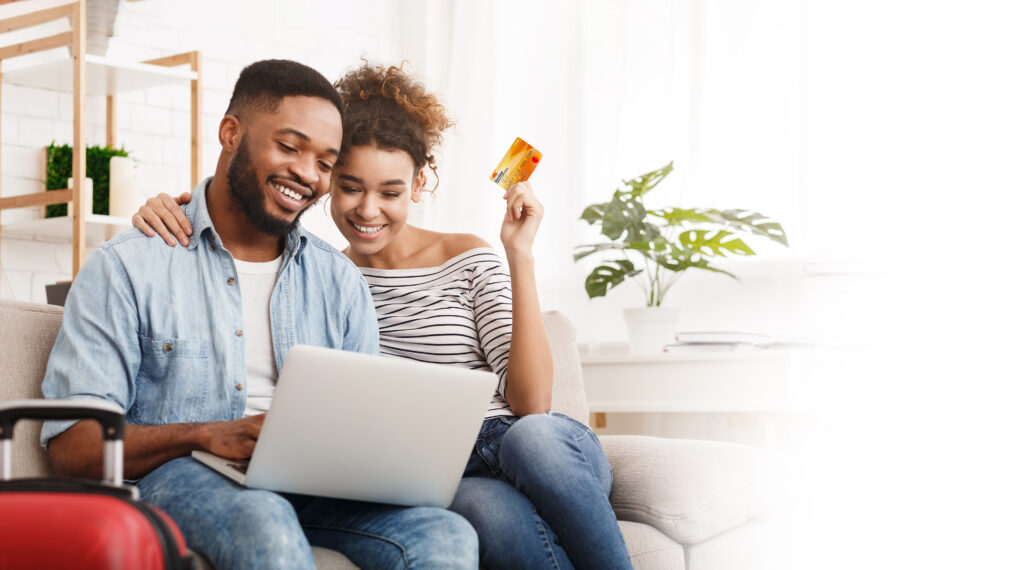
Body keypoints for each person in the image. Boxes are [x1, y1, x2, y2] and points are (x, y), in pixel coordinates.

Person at [134, 62, 633, 569]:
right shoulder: (326, 280)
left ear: (419, 183)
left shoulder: (468, 257)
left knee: (534, 438)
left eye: (390, 192)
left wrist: (518, 255)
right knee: (483, 514)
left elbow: (533, 404)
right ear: (328, 181)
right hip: (451, 472)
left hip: (531, 446)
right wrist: (178, 207)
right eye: (350, 187)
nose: (368, 210)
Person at [42, 59, 477, 570]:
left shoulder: (338, 281)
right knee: (262, 519)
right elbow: (72, 446)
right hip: (175, 476)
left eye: (324, 162)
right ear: (231, 133)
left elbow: (365, 429)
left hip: (310, 485)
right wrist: (204, 433)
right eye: (289, 148)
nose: (306, 175)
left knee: (445, 534)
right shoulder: (130, 266)